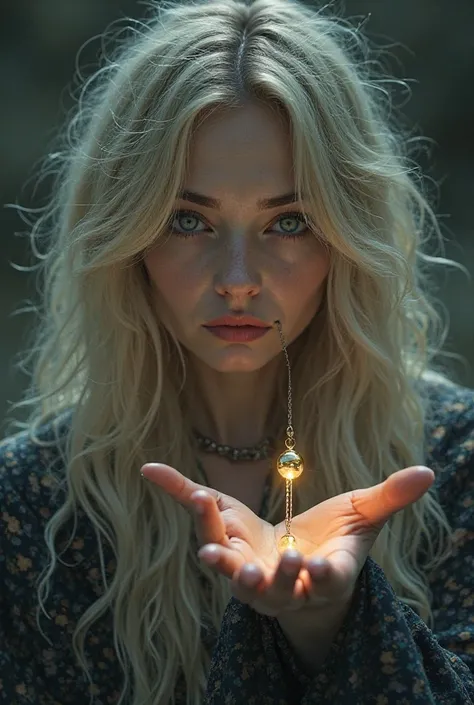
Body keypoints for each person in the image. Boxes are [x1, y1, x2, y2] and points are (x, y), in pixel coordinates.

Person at [1, 0, 473, 702]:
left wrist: (333, 623)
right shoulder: (33, 505)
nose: (238, 280)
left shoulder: (455, 463)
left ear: (348, 236)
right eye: (188, 220)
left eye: (289, 221)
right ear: (126, 236)